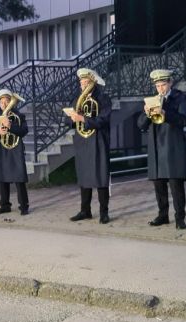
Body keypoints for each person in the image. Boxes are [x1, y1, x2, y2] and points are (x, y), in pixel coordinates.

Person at [137, 69, 186, 229]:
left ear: (170, 83)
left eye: (163, 85)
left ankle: (180, 218)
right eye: (158, 86)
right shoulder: (151, 100)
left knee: (176, 185)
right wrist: (146, 114)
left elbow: (183, 120)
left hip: (173, 147)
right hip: (156, 147)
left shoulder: (181, 98)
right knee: (159, 185)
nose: (160, 89)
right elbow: (141, 125)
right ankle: (163, 215)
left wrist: (166, 113)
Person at [66, 68, 112, 224]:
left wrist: (83, 119)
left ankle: (104, 212)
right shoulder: (77, 99)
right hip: (82, 142)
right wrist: (73, 118)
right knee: (84, 177)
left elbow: (103, 120)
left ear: (93, 83)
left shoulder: (103, 99)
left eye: (86, 82)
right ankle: (85, 211)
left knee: (101, 178)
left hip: (98, 141)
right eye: (81, 82)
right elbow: (68, 121)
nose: (83, 85)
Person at [0, 89, 29, 215]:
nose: (4, 105)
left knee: (19, 179)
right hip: (0, 149)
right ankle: (5, 205)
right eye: (2, 102)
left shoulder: (19, 116)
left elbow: (24, 131)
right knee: (2, 177)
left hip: (15, 150)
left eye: (7, 102)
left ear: (12, 102)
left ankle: (24, 206)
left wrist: (11, 126)